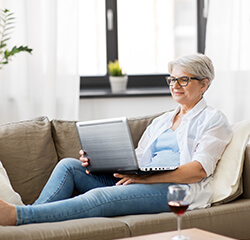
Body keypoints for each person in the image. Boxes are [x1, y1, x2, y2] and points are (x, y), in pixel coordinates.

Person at [0, 53, 233, 226]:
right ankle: (29, 219)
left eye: (183, 80)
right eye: (171, 79)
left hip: (176, 188)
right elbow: (138, 158)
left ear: (204, 84)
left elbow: (198, 170)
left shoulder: (214, 120)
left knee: (101, 196)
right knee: (69, 166)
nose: (175, 86)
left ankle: (20, 216)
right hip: (140, 179)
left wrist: (148, 180)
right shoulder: (162, 121)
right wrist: (101, 161)